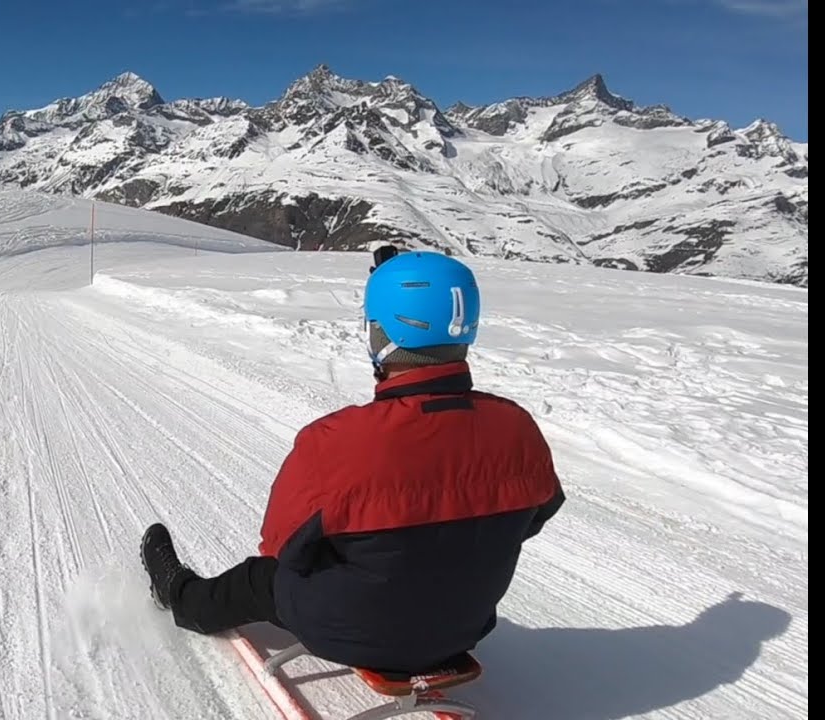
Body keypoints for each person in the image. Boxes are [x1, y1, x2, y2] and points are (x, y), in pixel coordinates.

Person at [139, 248, 565, 675]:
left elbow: (279, 546)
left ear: (380, 335)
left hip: (349, 633)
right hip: (465, 629)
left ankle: (181, 598)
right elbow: (533, 517)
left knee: (260, 578)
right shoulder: (518, 428)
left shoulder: (337, 442)